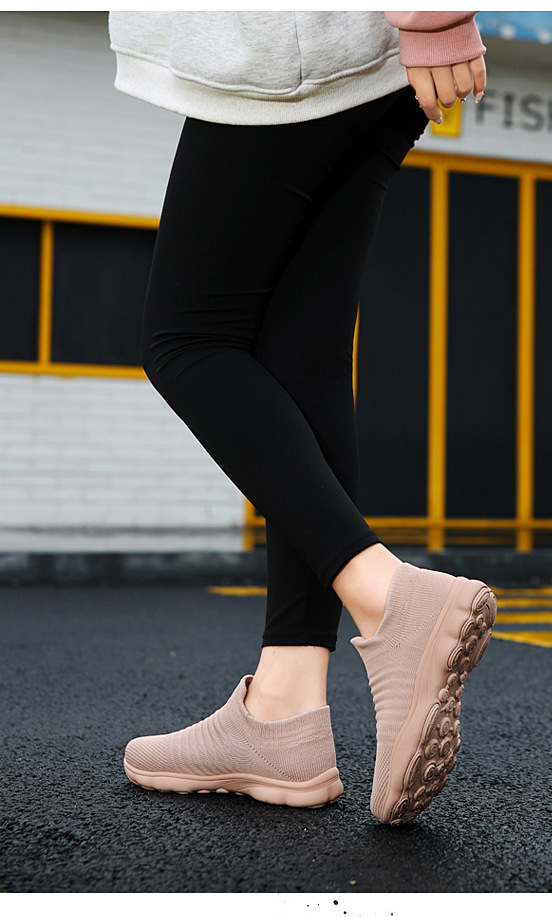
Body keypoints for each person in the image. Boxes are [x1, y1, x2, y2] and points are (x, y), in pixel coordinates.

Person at [109, 10, 496, 826]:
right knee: (300, 362)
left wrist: (433, 16)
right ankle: (283, 709)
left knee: (188, 340)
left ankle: (387, 595)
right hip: (362, 63)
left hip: (288, 49)